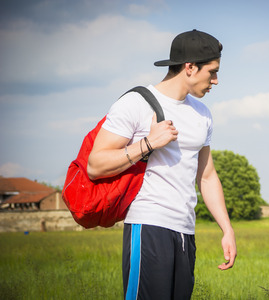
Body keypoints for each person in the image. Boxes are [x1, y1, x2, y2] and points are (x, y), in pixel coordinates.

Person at [87, 29, 237, 299]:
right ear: (190, 67)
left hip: (185, 232)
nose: (216, 80)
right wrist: (147, 144)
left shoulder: (202, 113)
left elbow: (207, 176)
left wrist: (227, 229)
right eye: (212, 72)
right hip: (148, 226)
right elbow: (96, 164)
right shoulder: (134, 103)